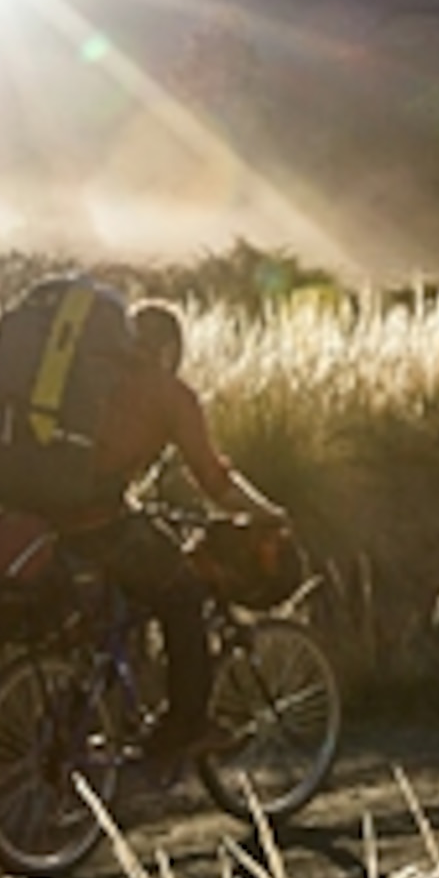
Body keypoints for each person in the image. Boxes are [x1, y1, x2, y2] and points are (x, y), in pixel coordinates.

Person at [51, 299, 290, 775]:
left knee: (113, 619)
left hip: (54, 519)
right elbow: (215, 481)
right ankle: (185, 724)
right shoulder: (169, 393)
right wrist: (266, 512)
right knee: (182, 593)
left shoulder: (91, 379)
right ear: (168, 350)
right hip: (104, 522)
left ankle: (83, 715)